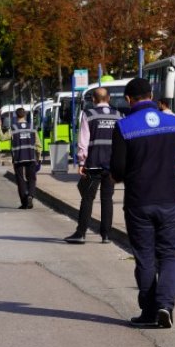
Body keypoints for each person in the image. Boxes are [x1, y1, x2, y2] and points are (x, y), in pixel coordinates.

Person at [110, 77, 175, 329]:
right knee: (169, 255)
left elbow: (118, 169)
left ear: (129, 99)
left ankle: (149, 311)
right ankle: (165, 305)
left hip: (139, 201)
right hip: (170, 199)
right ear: (151, 94)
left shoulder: (124, 127)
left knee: (145, 257)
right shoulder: (174, 123)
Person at [66, 87, 121, 244]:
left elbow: (83, 141)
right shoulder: (118, 115)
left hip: (94, 164)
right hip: (111, 165)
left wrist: (81, 161)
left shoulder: (88, 115)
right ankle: (106, 235)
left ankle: (81, 233)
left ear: (94, 100)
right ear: (109, 98)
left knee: (87, 198)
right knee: (107, 199)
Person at [0, 107, 40, 209]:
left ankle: (24, 202)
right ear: (25, 115)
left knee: (20, 179)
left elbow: (2, 138)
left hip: (18, 158)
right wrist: (38, 157)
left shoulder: (13, 128)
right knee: (31, 178)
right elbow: (38, 144)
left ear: (16, 116)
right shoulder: (32, 127)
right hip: (31, 157)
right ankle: (30, 195)